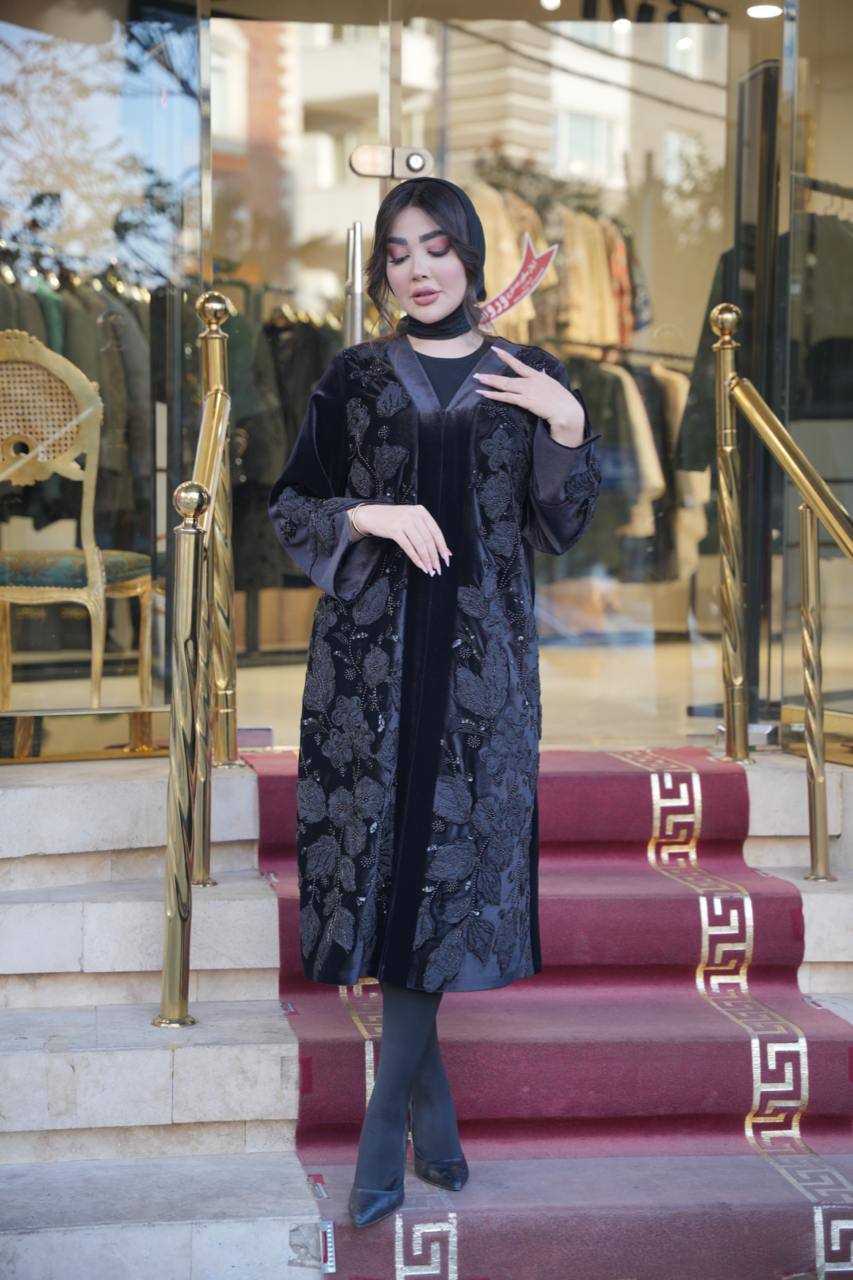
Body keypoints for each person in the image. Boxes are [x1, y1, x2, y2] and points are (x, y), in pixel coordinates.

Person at [268, 176, 603, 1229]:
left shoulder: (529, 374)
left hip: (481, 672)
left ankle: (387, 1121)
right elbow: (292, 503)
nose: (417, 268)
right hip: (368, 669)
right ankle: (427, 1118)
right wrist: (369, 513)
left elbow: (560, 526)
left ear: (468, 254)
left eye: (436, 248)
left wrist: (566, 423)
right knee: (386, 862)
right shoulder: (355, 376)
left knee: (443, 871)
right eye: (398, 252)